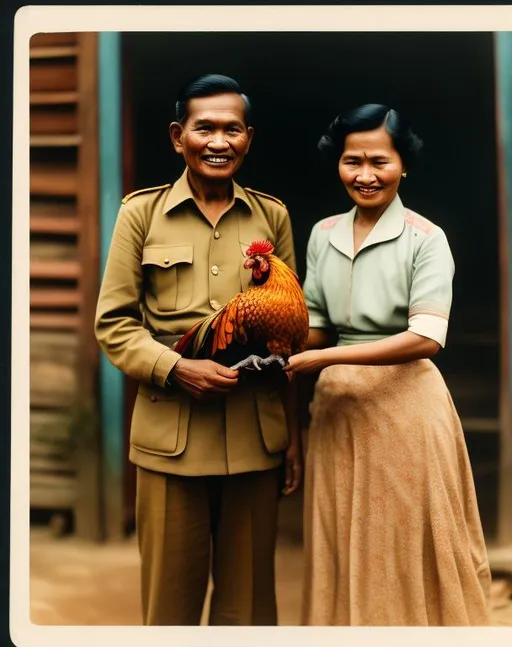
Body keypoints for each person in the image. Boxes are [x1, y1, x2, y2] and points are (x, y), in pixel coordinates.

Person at [95, 74, 302, 626]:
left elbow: (287, 332)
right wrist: (175, 367)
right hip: (170, 438)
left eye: (231, 129)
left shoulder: (272, 217)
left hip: (254, 438)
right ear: (176, 136)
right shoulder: (140, 214)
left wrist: (292, 436)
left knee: (251, 608)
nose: (218, 141)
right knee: (169, 607)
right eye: (203, 127)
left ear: (248, 138)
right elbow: (114, 322)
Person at [283, 104, 491, 626]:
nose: (365, 174)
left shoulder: (426, 238)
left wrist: (325, 358)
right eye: (352, 161)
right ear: (338, 163)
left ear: (404, 165)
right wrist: (268, 325)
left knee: (402, 543)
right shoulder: (322, 233)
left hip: (406, 411)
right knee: (341, 540)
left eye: (380, 161)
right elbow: (317, 324)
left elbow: (425, 338)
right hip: (336, 412)